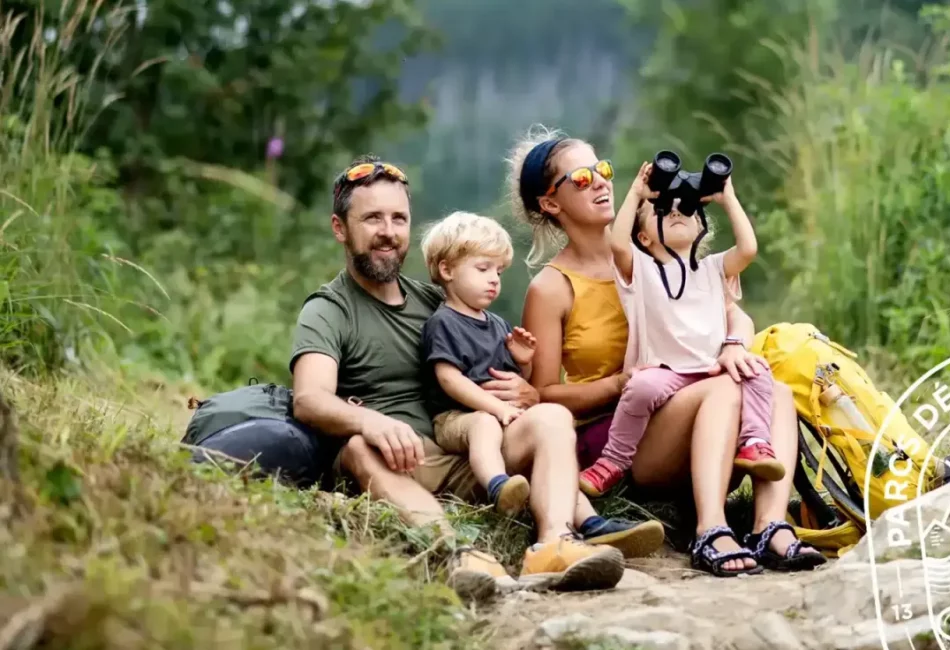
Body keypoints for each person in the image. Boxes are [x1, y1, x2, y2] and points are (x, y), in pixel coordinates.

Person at [288, 155, 665, 600]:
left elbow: (495, 362)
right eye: (372, 218)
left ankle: (554, 544)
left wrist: (525, 389)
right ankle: (456, 550)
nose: (387, 231)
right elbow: (309, 399)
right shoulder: (329, 309)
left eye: (398, 218)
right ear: (340, 228)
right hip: (399, 459)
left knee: (549, 417)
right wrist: (372, 421)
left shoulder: (435, 300)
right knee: (356, 447)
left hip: (472, 450)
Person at [509, 127, 828, 576]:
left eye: (602, 170)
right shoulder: (552, 287)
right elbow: (542, 394)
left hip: (693, 413)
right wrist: (620, 383)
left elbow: (730, 312)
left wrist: (735, 343)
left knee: (771, 388)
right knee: (724, 389)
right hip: (628, 435)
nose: (601, 182)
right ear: (550, 203)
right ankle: (711, 531)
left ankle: (769, 528)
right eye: (581, 179)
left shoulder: (659, 253)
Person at [578, 161, 785, 499]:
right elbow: (617, 245)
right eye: (663, 210)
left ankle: (755, 442)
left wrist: (727, 198)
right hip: (665, 371)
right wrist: (637, 193)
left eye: (685, 209)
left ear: (700, 225)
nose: (676, 212)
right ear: (643, 236)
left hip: (712, 368)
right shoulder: (641, 271)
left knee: (759, 372)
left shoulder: (713, 268)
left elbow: (748, 249)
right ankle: (612, 461)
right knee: (640, 387)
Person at [417, 210, 541, 516]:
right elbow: (449, 378)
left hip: (498, 415)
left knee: (546, 422)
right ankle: (497, 486)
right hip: (455, 418)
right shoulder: (443, 322)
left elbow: (509, 379)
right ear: (447, 270)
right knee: (484, 423)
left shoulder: (497, 324)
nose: (493, 280)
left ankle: (584, 517)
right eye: (483, 268)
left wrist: (523, 364)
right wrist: (495, 408)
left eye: (498, 271)